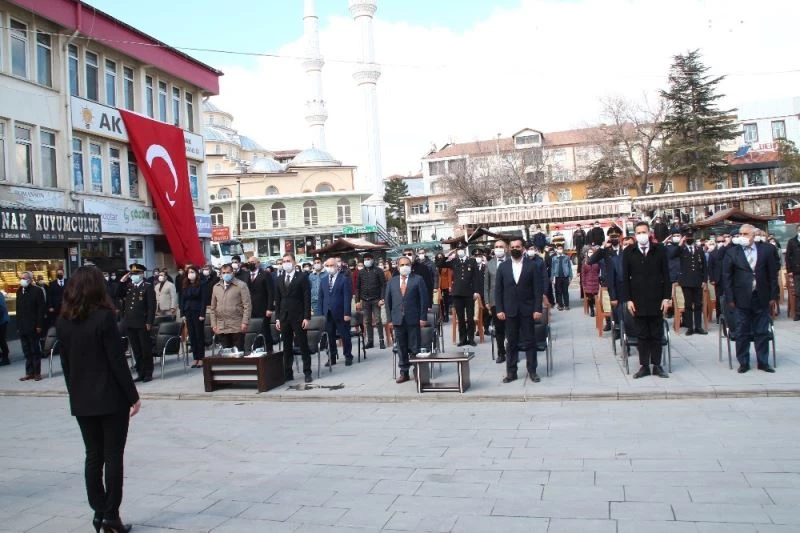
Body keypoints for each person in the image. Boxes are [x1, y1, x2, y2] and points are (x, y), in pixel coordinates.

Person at [56, 266, 140, 533]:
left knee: (93, 456)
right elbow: (117, 361)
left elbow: (66, 365)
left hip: (82, 398)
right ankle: (111, 515)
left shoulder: (63, 322)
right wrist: (133, 396)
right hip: (110, 398)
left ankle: (98, 511)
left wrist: (74, 392)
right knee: (112, 456)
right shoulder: (104, 318)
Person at [722, 224, 779, 373]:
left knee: (762, 330)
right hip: (741, 298)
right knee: (742, 331)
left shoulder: (766, 250)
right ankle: (744, 362)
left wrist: (773, 295)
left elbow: (773, 275)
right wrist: (730, 298)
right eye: (740, 234)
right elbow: (727, 277)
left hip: (761, 296)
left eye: (746, 234)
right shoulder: (732, 252)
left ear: (753, 235)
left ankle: (763, 362)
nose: (742, 237)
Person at [621, 222, 672, 379]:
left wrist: (666, 298)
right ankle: (644, 366)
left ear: (649, 233)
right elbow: (625, 278)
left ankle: (657, 365)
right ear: (635, 235)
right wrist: (628, 299)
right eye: (638, 232)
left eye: (644, 232)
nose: (641, 235)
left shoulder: (660, 250)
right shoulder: (629, 252)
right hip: (638, 301)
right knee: (642, 335)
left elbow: (666, 275)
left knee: (656, 334)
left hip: (657, 299)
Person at [494, 237, 544, 383]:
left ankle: (532, 371)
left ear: (523, 248)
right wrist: (499, 309)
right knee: (511, 343)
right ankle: (511, 373)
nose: (515, 249)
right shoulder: (503, 267)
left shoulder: (532, 265)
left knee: (530, 341)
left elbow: (538, 289)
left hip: (527, 310)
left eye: (518, 246)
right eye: (512, 247)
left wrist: (537, 308)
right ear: (509, 249)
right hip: (509, 311)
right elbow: (498, 290)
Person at [385, 256, 427, 383]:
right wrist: (390, 319)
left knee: (415, 347)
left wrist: (422, 317)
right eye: (402, 265)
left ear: (411, 266)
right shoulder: (392, 282)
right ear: (398, 267)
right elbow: (388, 302)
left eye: (407, 264)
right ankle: (404, 372)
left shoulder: (418, 279)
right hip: (398, 320)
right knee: (401, 347)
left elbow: (423, 300)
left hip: (413, 319)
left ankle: (417, 371)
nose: (404, 267)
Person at [274, 254, 313, 383]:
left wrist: (306, 317)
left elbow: (307, 298)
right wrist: (277, 318)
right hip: (284, 317)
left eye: (288, 261)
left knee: (302, 345)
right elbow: (278, 300)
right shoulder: (279, 279)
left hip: (298, 316)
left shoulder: (302, 277)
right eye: (284, 261)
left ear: (294, 262)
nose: (286, 263)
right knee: (286, 346)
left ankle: (307, 371)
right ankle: (288, 372)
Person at [118, 264, 156, 382]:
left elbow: (151, 307)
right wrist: (122, 281)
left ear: (142, 274)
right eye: (132, 274)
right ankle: (140, 372)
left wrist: (149, 321)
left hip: (142, 323)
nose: (133, 276)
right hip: (130, 322)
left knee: (145, 349)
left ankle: (148, 373)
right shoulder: (129, 286)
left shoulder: (147, 287)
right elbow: (118, 293)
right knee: (136, 350)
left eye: (136, 274)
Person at [437, 242, 480, 346]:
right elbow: (439, 264)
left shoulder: (472, 261)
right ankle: (462, 339)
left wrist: (476, 291)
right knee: (460, 318)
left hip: (469, 293)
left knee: (470, 318)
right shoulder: (454, 261)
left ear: (465, 250)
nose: (460, 250)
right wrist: (448, 254)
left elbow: (476, 277)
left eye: (462, 248)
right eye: (458, 249)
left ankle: (471, 339)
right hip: (457, 293)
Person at [668, 229, 708, 335]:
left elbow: (704, 266)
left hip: (698, 281)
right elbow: (672, 255)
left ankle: (698, 326)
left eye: (691, 237)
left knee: (698, 304)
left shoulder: (699, 249)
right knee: (688, 304)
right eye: (688, 237)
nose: (690, 239)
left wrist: (704, 280)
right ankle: (690, 327)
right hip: (686, 281)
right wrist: (680, 243)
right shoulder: (681, 249)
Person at [318, 257, 354, 366]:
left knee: (344, 335)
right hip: (327, 313)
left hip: (341, 312)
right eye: (327, 266)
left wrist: (347, 313)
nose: (330, 268)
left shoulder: (344, 279)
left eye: (332, 265)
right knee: (330, 336)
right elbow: (321, 298)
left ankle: (348, 356)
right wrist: (320, 314)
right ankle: (332, 357)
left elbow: (347, 297)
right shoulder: (323, 280)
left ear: (337, 266)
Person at [209, 263, 251, 353]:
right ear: (220, 274)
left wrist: (245, 322)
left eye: (228, 272)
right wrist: (214, 324)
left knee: (238, 353)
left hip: (237, 326)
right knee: (226, 354)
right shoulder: (216, 287)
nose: (226, 275)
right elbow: (213, 308)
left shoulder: (241, 285)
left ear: (233, 273)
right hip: (222, 326)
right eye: (223, 273)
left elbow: (247, 305)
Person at [17, 271, 46, 381]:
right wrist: (18, 326)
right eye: (21, 278)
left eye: (24, 278)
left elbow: (41, 309)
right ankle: (29, 372)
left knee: (34, 349)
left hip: (33, 325)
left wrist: (39, 325)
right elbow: (18, 309)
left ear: (29, 279)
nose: (22, 280)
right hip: (22, 326)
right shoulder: (19, 291)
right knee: (26, 350)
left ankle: (37, 373)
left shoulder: (37, 291)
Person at [356, 253, 386, 349]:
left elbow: (383, 285)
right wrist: (357, 300)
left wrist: (382, 298)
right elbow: (358, 287)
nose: (367, 261)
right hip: (365, 300)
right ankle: (370, 341)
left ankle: (381, 340)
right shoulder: (361, 272)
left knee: (378, 320)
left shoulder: (378, 271)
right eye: (365, 259)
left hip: (376, 299)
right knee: (367, 321)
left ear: (373, 260)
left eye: (369, 259)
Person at [484, 240, 508, 363]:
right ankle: (501, 353)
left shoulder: (511, 261)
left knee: (511, 328)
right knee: (499, 329)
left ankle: (512, 350)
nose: (498, 248)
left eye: (501, 246)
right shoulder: (490, 264)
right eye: (496, 247)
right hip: (495, 301)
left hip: (510, 300)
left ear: (506, 248)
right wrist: (487, 301)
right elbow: (486, 284)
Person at [246, 255, 275, 352]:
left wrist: (270, 308)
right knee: (254, 330)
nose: (250, 264)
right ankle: (256, 350)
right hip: (250, 308)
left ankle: (269, 350)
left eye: (252, 262)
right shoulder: (246, 275)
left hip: (263, 308)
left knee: (264, 330)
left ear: (258, 263)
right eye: (249, 262)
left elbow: (270, 292)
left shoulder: (265, 274)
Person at [181, 266, 208, 368]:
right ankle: (195, 357)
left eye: (192, 272)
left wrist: (202, 314)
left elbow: (204, 300)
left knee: (199, 335)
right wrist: (182, 313)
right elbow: (182, 299)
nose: (190, 274)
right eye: (189, 272)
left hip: (197, 311)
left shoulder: (202, 283)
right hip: (188, 310)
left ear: (196, 273)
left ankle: (201, 358)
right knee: (191, 335)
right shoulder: (186, 284)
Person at [551, 245, 573, 310]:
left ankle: (567, 305)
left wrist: (570, 276)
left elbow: (569, 267)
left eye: (561, 248)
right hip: (557, 277)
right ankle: (560, 305)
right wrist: (552, 277)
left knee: (565, 291)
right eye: (559, 248)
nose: (560, 250)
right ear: (557, 250)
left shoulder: (567, 257)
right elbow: (552, 268)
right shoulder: (554, 258)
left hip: (565, 276)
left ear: (563, 249)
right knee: (559, 292)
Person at [786, 223, 800, 321]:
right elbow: (787, 257)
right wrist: (789, 270)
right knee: (798, 292)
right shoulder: (792, 241)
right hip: (797, 271)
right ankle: (798, 313)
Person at [581, 247, 601, 317]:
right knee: (589, 296)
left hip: (596, 281)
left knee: (596, 296)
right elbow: (583, 273)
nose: (590, 253)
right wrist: (583, 283)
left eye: (591, 252)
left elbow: (599, 271)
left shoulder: (597, 260)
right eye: (589, 252)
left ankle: (597, 308)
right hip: (588, 281)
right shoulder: (585, 261)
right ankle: (591, 309)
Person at [436, 252, 451, 322]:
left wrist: (450, 286)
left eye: (441, 257)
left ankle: (446, 315)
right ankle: (441, 315)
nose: (439, 258)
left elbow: (449, 276)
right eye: (438, 257)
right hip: (438, 285)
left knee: (446, 301)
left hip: (445, 285)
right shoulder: (435, 265)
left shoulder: (446, 264)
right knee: (440, 301)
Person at [0, 291, 9, 366]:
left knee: (1, 339)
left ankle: (5, 358)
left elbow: (2, 308)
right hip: (2, 320)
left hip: (2, 321)